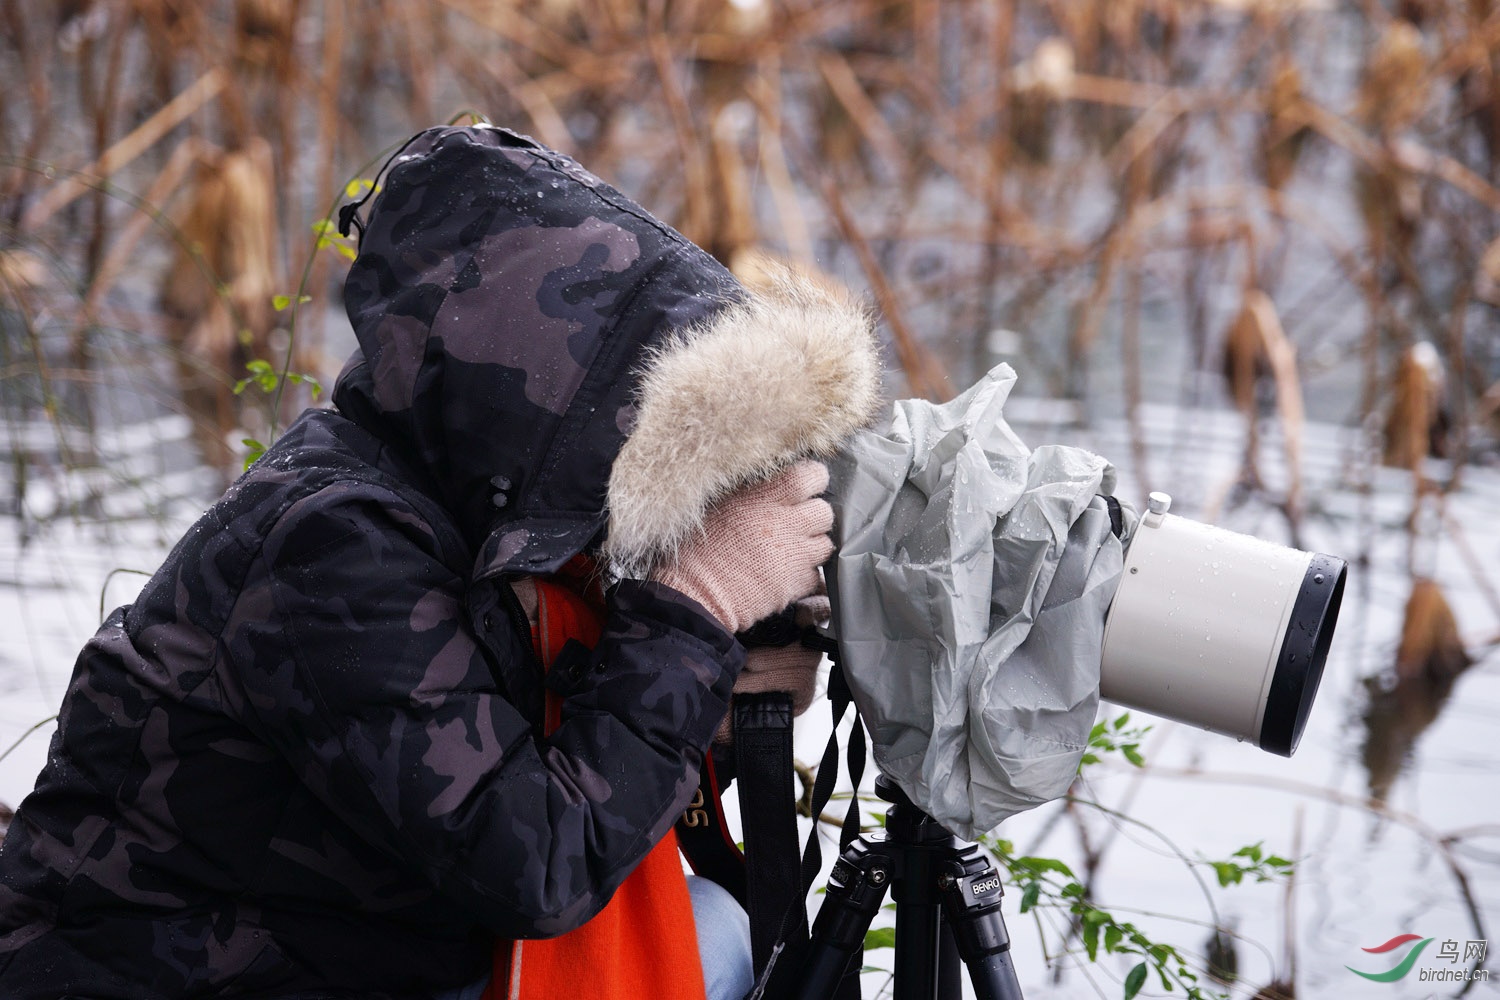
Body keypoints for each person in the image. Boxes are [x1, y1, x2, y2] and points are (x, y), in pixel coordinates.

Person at [0, 125, 881, 999]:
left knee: (719, 929)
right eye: (634, 416)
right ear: (541, 405)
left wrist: (709, 703)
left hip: (346, 946)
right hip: (152, 976)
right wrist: (698, 606)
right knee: (711, 946)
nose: (651, 456)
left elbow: (510, 761)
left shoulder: (470, 516)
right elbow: (540, 868)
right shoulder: (331, 551)